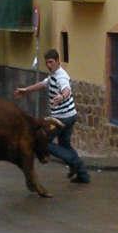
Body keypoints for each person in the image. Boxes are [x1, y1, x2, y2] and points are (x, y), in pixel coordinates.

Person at [14, 49, 90, 184]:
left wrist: (61, 96)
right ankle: (82, 174)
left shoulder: (61, 76)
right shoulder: (53, 74)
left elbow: (66, 89)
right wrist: (26, 90)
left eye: (51, 62)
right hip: (70, 115)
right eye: (47, 63)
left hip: (61, 118)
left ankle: (76, 164)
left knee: (44, 142)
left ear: (57, 61)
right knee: (65, 145)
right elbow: (43, 84)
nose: (49, 65)